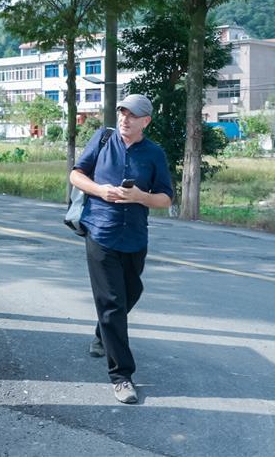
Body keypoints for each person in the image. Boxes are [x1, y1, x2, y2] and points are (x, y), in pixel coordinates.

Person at [69, 94, 173, 404]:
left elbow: (166, 198)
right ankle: (122, 376)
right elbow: (76, 174)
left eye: (133, 114)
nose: (125, 118)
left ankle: (103, 333)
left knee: (131, 293)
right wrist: (101, 190)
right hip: (100, 231)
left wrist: (141, 196)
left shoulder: (154, 154)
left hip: (135, 237)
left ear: (146, 121)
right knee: (113, 302)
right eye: (122, 112)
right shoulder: (103, 140)